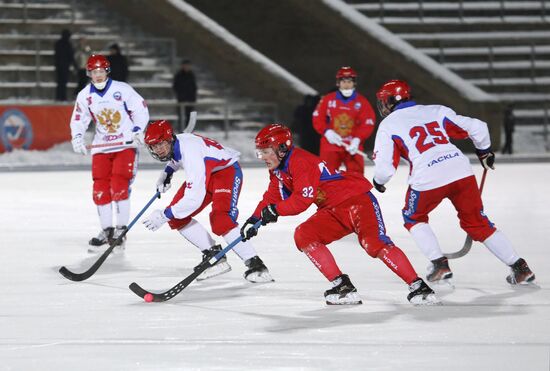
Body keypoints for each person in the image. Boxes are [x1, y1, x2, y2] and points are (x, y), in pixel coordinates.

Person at [240, 123, 439, 305]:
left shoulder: (300, 162)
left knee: (375, 244)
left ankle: (419, 286)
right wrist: (254, 219)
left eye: (265, 152)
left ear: (281, 149)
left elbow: (301, 201)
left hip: (357, 201)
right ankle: (342, 286)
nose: (263, 157)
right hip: (332, 209)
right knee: (304, 235)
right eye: (260, 153)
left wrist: (275, 210)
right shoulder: (278, 169)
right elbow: (272, 196)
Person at [371, 79, 535, 285]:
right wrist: (484, 152)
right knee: (478, 223)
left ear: (390, 101)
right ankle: (520, 268)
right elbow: (479, 127)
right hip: (460, 170)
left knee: (413, 217)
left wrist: (379, 182)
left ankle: (439, 265)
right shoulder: (436, 110)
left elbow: (385, 169)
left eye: (383, 102)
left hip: (428, 178)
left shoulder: (388, 125)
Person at [141, 120, 273, 283]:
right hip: (208, 171)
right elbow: (176, 156)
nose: (158, 150)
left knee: (220, 219)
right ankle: (214, 255)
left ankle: (257, 266)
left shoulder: (191, 155)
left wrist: (163, 215)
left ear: (170, 139)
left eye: (160, 144)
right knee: (176, 217)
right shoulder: (178, 142)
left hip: (226, 172)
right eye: (153, 146)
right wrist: (168, 172)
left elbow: (193, 199)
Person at [69, 54, 149, 253]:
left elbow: (140, 110)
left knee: (119, 185)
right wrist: (77, 137)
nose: (97, 75)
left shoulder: (122, 90)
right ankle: (107, 231)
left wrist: (138, 129)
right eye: (94, 72)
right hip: (102, 147)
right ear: (89, 73)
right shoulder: (85, 95)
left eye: (101, 71)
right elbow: (79, 118)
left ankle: (120, 232)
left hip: (125, 146)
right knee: (100, 189)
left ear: (107, 71)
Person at [312, 66, 376, 174]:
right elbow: (317, 118)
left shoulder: (362, 102)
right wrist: (326, 132)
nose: (346, 85)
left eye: (349, 82)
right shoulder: (328, 99)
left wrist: (358, 139)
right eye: (343, 81)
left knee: (357, 179)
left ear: (354, 83)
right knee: (327, 177)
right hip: (331, 145)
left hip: (353, 146)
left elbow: (368, 123)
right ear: (338, 83)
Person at [172, 59, 197, 131]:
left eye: (188, 66)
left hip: (190, 99)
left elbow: (194, 87)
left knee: (189, 116)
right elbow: (176, 86)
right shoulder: (179, 75)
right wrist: (181, 95)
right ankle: (181, 131)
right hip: (181, 99)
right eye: (185, 65)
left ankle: (189, 131)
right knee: (181, 116)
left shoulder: (191, 75)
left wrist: (193, 97)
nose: (186, 67)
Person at [54, 29, 77, 101]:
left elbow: (56, 55)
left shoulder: (58, 43)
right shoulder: (68, 44)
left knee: (59, 82)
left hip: (59, 65)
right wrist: (75, 65)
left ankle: (58, 97)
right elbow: (70, 56)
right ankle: (63, 97)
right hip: (65, 65)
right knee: (63, 82)